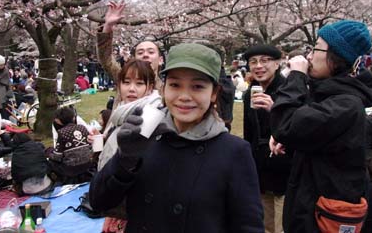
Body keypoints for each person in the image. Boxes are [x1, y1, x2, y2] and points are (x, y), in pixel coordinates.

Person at [89, 43, 265, 233]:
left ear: (214, 93)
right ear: (163, 89)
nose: (184, 96)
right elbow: (99, 202)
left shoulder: (233, 151)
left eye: (197, 86)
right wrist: (124, 160)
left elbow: (248, 226)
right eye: (175, 85)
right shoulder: (143, 138)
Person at [270, 20, 372, 233]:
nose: (309, 56)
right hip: (313, 207)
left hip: (322, 217)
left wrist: (296, 76)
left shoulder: (345, 104)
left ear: (338, 57)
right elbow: (304, 131)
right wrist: (290, 140)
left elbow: (286, 124)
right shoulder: (333, 95)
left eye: (316, 48)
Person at [94, 58, 161, 233]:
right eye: (126, 82)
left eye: (139, 83)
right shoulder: (122, 110)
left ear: (150, 87)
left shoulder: (149, 115)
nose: (131, 88)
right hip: (114, 201)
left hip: (133, 211)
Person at [243, 44, 291, 233]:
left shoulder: (289, 91)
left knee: (283, 225)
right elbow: (249, 135)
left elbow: (298, 129)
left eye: (265, 60)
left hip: (285, 169)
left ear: (277, 63)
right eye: (253, 62)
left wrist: (275, 111)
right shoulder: (250, 94)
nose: (258, 66)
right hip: (259, 169)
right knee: (263, 224)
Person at [96, 1, 164, 96]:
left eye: (151, 52)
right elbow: (106, 59)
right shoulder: (123, 77)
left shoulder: (166, 90)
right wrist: (108, 26)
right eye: (140, 53)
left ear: (160, 60)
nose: (145, 55)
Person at [49, 107, 93, 184]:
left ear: (58, 121)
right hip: (88, 165)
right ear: (73, 118)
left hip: (71, 169)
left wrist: (49, 153)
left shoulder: (61, 133)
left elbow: (57, 157)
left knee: (51, 161)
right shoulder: (82, 127)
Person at [0, 55, 11, 119]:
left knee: (2, 109)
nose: (3, 66)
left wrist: (9, 94)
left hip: (2, 92)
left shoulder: (5, 70)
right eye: (1, 65)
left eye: (3, 64)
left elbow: (8, 82)